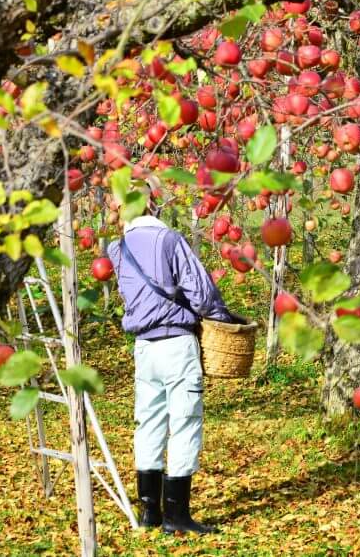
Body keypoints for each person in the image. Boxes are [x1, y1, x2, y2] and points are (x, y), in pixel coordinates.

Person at [107, 212, 239, 534]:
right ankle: (177, 516)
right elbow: (202, 293)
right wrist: (224, 319)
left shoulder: (117, 248)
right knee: (184, 423)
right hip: (177, 344)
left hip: (143, 348)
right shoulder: (170, 240)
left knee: (148, 421)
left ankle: (150, 512)